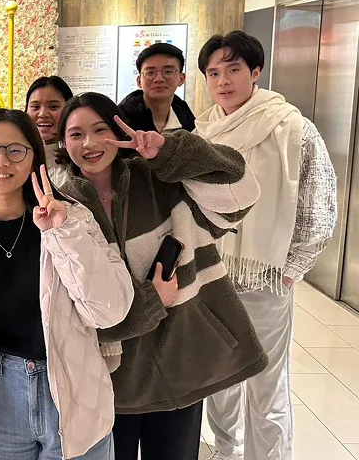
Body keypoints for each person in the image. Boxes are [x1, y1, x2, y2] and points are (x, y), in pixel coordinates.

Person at [53, 92, 267, 460]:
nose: (89, 143)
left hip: (182, 360)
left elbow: (241, 194)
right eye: (75, 134)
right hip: (113, 378)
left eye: (100, 129)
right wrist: (151, 300)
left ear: (121, 129)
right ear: (62, 142)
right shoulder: (63, 207)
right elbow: (70, 308)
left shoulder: (160, 179)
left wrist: (171, 152)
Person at [0, 108, 134, 460]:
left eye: (16, 150)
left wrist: (64, 235)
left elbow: (110, 311)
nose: (2, 160)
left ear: (35, 159)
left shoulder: (73, 220)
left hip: (75, 389)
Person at [196, 31, 337, 460]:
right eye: (214, 72)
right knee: (217, 372)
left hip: (265, 275)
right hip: (210, 270)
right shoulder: (204, 129)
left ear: (255, 72)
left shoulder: (291, 127)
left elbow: (319, 201)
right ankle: (226, 447)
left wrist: (292, 267)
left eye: (234, 69)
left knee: (265, 376)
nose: (223, 81)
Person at [118, 43, 195, 134]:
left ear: (181, 79)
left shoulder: (189, 122)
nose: (159, 79)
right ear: (139, 81)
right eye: (150, 73)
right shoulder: (120, 120)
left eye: (168, 72)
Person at [25, 75, 74, 173]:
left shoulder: (79, 157)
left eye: (53, 107)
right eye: (35, 107)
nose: (43, 114)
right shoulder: (17, 156)